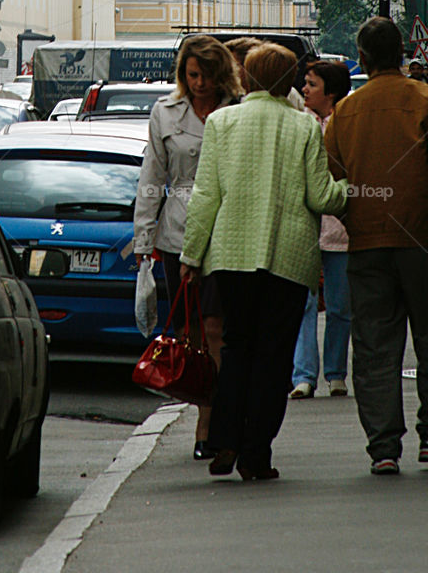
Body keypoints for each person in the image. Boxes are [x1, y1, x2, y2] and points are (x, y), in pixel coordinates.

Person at [180, 42, 348, 481]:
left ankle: (224, 441)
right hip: (288, 261)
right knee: (273, 360)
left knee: (235, 349)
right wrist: (349, 191)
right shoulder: (304, 128)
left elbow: (205, 197)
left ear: (249, 79)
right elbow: (319, 196)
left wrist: (192, 255)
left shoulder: (220, 122)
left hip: (232, 256)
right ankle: (257, 454)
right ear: (288, 82)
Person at [324, 17, 428, 477]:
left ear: (362, 58)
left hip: (367, 243)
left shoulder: (345, 112)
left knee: (372, 345)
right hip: (423, 239)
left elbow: (333, 177)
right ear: (403, 52)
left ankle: (384, 446)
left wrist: (356, 217)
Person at [134, 34, 241, 460]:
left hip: (226, 228)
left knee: (217, 328)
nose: (200, 84)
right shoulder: (165, 112)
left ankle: (210, 423)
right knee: (189, 332)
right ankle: (206, 411)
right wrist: (143, 239)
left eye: (208, 76)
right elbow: (151, 176)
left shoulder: (238, 109)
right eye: (193, 75)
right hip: (177, 230)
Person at [290, 60, 352, 400]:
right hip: (305, 226)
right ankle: (304, 376)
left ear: (330, 91)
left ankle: (336, 374)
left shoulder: (349, 122)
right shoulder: (299, 122)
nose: (304, 89)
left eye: (311, 84)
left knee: (341, 307)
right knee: (304, 305)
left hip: (340, 229)